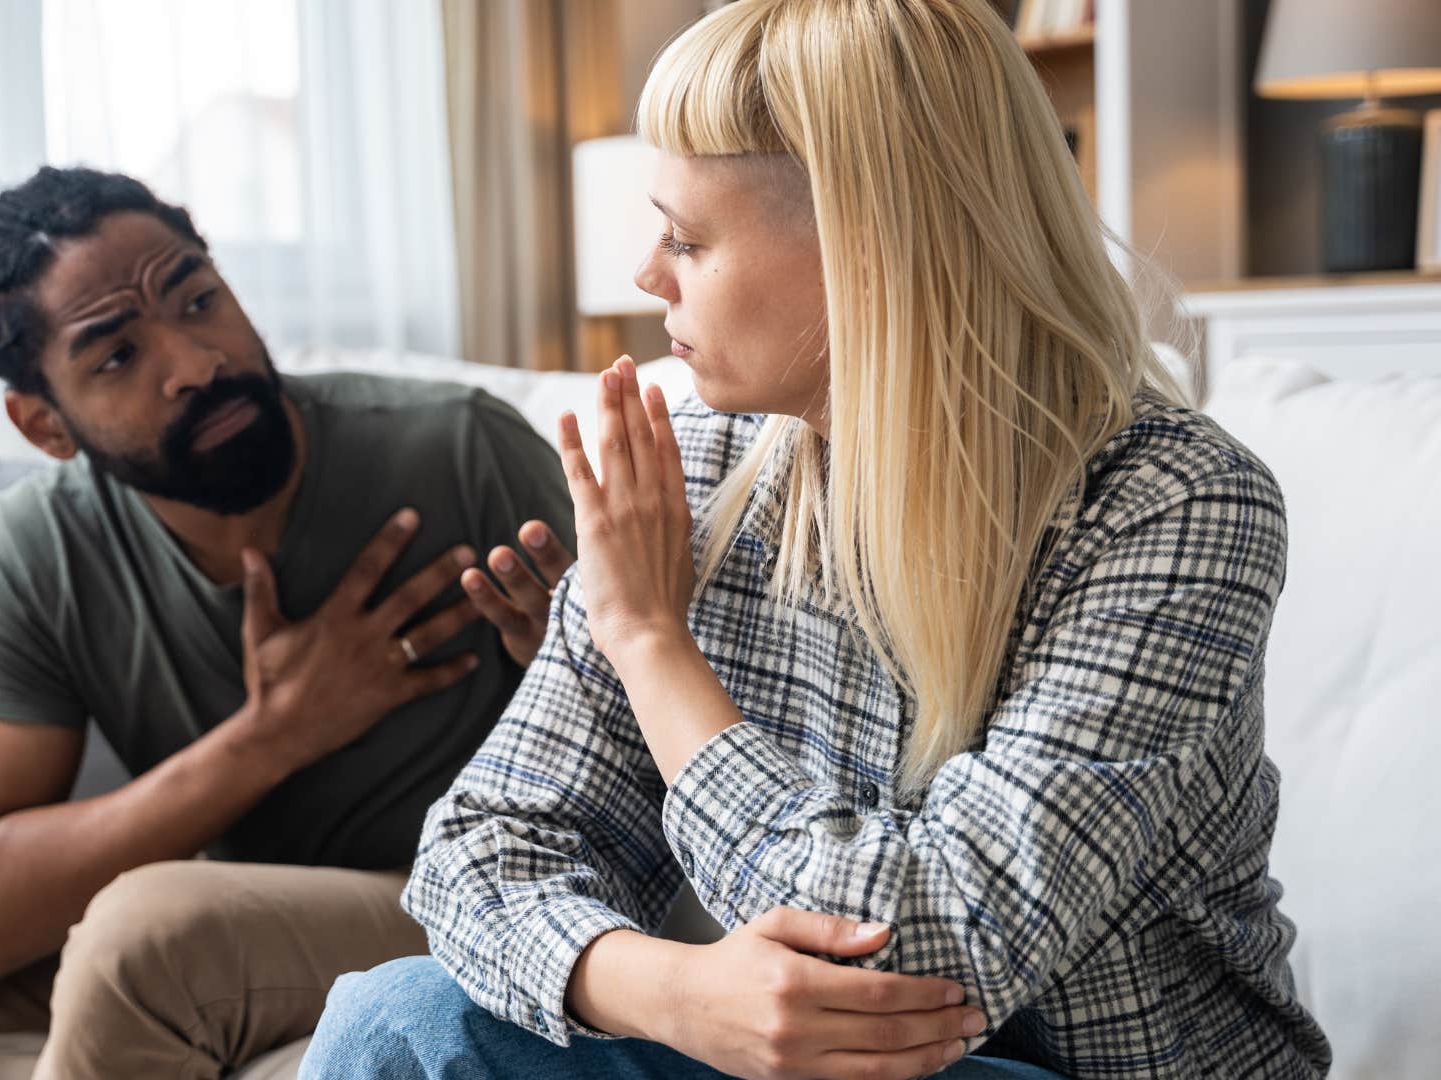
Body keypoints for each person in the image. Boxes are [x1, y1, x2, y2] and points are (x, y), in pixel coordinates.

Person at [305, 1, 1333, 1077]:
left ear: (872, 249)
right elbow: (480, 850)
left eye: (689, 239)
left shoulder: (1175, 505)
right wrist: (671, 990)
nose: (651, 276)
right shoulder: (695, 461)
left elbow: (933, 952)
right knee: (404, 1019)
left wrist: (651, 643)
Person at [0, 166, 580, 1079]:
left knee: (145, 933)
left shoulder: (461, 446)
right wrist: (270, 738)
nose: (196, 363)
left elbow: (677, 698)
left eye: (199, 300)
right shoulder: (47, 547)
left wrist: (568, 659)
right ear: (44, 426)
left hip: (465, 892)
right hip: (242, 909)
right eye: (117, 356)